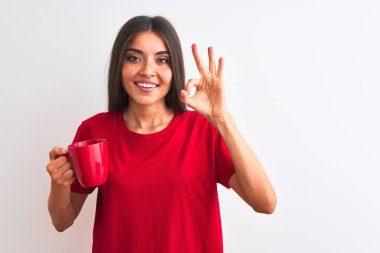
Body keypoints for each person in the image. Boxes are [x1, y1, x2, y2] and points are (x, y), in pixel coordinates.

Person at [46, 15, 277, 253]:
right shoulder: (94, 131)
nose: (148, 70)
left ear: (174, 68)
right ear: (120, 65)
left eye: (162, 60)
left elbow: (265, 203)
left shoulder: (202, 130)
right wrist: (59, 184)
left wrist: (222, 119)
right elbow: (62, 221)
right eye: (134, 58)